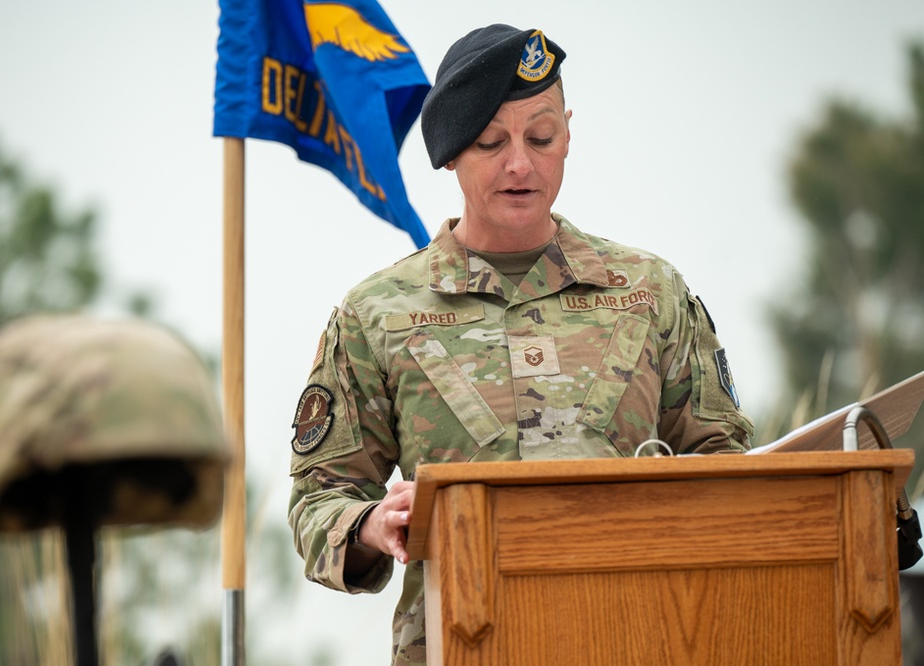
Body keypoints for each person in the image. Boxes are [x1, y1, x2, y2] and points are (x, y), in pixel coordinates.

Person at [287, 23, 754, 666]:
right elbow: (318, 497)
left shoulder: (652, 293)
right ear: (451, 153)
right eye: (490, 142)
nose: (520, 164)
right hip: (460, 643)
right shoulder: (378, 313)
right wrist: (370, 524)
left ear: (569, 133)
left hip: (641, 637)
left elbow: (727, 466)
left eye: (542, 137)